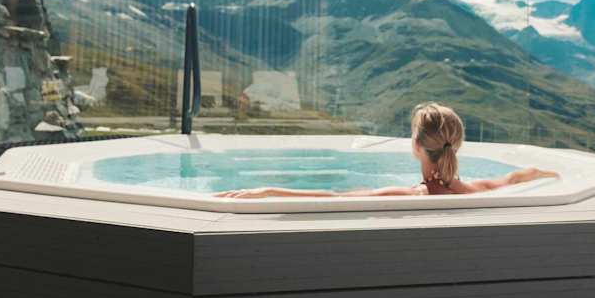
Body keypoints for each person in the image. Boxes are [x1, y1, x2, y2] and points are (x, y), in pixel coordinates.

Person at [214, 102, 558, 199]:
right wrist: (543, 172)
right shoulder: (479, 190)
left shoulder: (412, 195)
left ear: (415, 145)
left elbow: (333, 197)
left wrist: (269, 190)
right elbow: (515, 177)